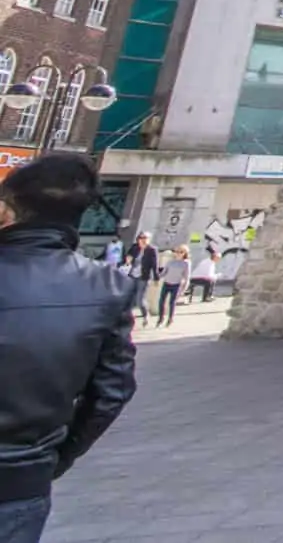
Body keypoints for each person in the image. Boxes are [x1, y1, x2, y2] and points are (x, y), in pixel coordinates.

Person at [0, 154, 139, 543]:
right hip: (20, 480)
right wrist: (54, 458)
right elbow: (112, 392)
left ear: (7, 212)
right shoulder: (108, 288)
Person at [123, 232, 158, 321]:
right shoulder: (135, 247)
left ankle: (145, 314)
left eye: (145, 238)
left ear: (148, 240)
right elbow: (128, 257)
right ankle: (128, 316)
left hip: (143, 277)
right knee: (129, 297)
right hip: (132, 275)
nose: (143, 240)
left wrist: (156, 278)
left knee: (140, 299)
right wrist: (128, 260)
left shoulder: (152, 250)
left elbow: (154, 265)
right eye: (141, 238)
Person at [154, 245, 191, 328]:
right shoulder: (170, 262)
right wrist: (157, 277)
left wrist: (183, 290)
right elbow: (164, 272)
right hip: (167, 283)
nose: (178, 254)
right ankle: (160, 318)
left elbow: (186, 277)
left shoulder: (186, 263)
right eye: (177, 252)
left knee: (172, 302)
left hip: (176, 285)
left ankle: (170, 319)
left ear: (185, 253)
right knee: (161, 301)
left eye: (181, 252)